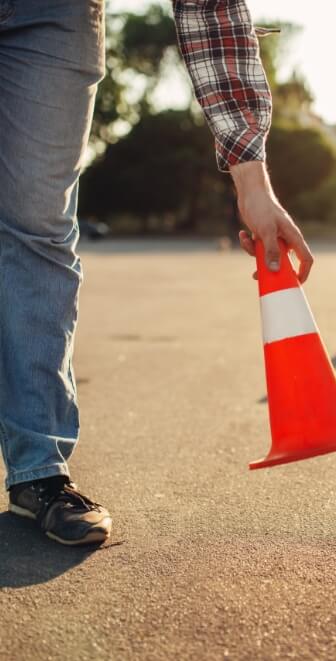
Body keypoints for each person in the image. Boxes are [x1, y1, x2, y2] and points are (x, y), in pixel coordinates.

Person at [0, 0, 313, 546]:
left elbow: (209, 9)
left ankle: (38, 471)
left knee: (39, 226)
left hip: (52, 16)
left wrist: (253, 184)